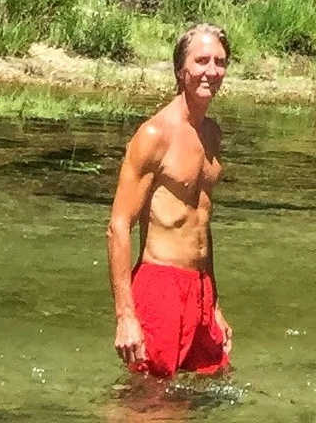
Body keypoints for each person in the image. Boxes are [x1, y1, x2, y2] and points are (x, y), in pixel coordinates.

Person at [107, 23, 233, 377]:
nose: (212, 71)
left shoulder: (212, 135)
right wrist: (126, 316)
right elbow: (118, 227)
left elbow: (201, 223)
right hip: (160, 284)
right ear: (181, 70)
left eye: (220, 62)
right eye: (202, 61)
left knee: (211, 387)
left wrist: (215, 305)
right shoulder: (154, 135)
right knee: (151, 400)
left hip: (201, 289)